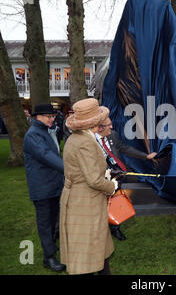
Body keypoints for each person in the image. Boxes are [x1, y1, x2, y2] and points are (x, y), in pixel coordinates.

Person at [60, 98, 119, 275]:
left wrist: (104, 174)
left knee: (94, 248)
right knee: (86, 251)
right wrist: (111, 186)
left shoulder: (77, 138)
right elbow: (93, 180)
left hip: (80, 197)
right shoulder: (85, 142)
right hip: (84, 202)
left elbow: (87, 172)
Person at [95, 118, 157, 241]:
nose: (112, 127)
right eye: (109, 125)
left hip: (118, 174)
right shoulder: (90, 140)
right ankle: (99, 230)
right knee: (101, 204)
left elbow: (124, 148)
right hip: (101, 177)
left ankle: (115, 227)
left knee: (115, 201)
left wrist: (146, 156)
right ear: (100, 128)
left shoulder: (112, 135)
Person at [23, 103, 65, 272]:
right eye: (47, 116)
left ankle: (52, 248)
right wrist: (70, 168)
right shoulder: (33, 134)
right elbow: (46, 156)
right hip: (42, 187)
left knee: (53, 220)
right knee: (45, 223)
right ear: (36, 117)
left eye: (53, 116)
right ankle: (49, 258)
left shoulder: (48, 130)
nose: (51, 119)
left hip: (54, 184)